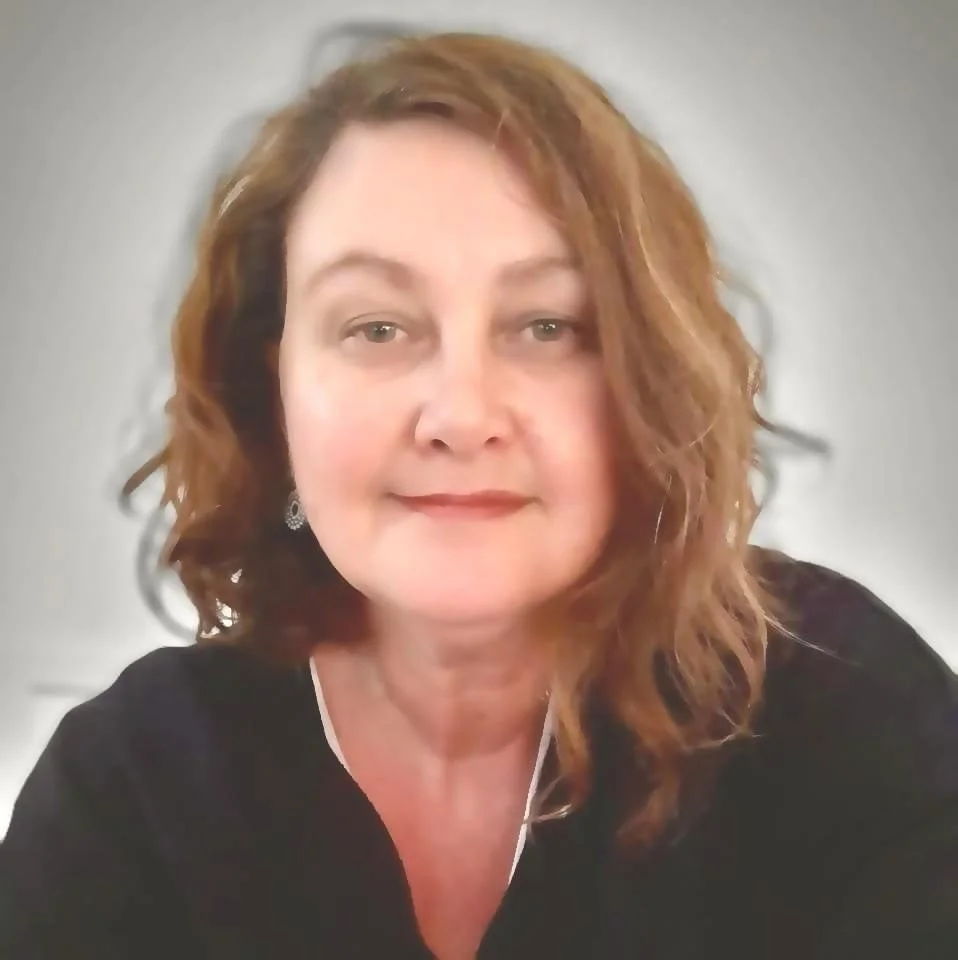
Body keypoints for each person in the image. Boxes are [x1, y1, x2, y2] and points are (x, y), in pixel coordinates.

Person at [1, 25, 955, 960]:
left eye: (547, 326)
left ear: (645, 384)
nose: (461, 414)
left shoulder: (840, 708)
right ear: (273, 392)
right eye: (376, 328)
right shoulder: (132, 788)